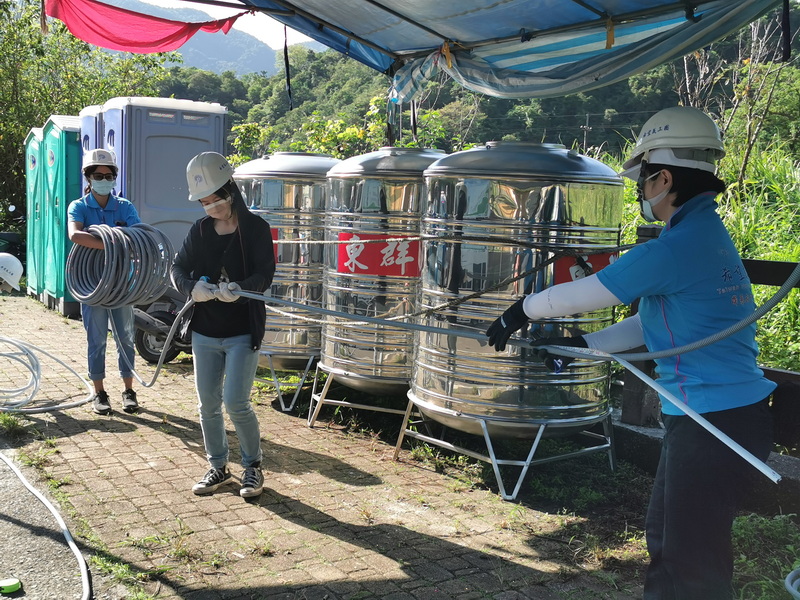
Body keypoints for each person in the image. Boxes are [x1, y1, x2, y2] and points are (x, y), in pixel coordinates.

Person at [486, 106, 775, 600]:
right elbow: (654, 323)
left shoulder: (674, 248)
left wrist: (521, 309)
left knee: (690, 562)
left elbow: (591, 291)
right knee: (672, 544)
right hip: (721, 416)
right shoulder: (703, 235)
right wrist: (587, 345)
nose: (641, 190)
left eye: (643, 179)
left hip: (712, 422)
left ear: (664, 178)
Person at [171, 151, 275, 499]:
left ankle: (253, 467)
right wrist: (191, 288)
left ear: (230, 191)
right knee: (208, 404)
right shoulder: (200, 230)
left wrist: (241, 289)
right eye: (203, 202)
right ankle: (218, 466)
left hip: (242, 331)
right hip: (205, 331)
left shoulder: (256, 229)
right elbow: (178, 268)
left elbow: (265, 274)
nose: (210, 208)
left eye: (214, 200)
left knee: (236, 402)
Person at [68, 149, 141, 415]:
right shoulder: (79, 207)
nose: (104, 180)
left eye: (109, 175)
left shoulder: (124, 207)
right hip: (91, 285)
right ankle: (100, 392)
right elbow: (75, 235)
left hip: (121, 285)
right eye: (98, 175)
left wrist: (101, 240)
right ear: (88, 178)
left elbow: (138, 238)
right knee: (97, 340)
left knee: (126, 339)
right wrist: (113, 242)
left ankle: (128, 391)